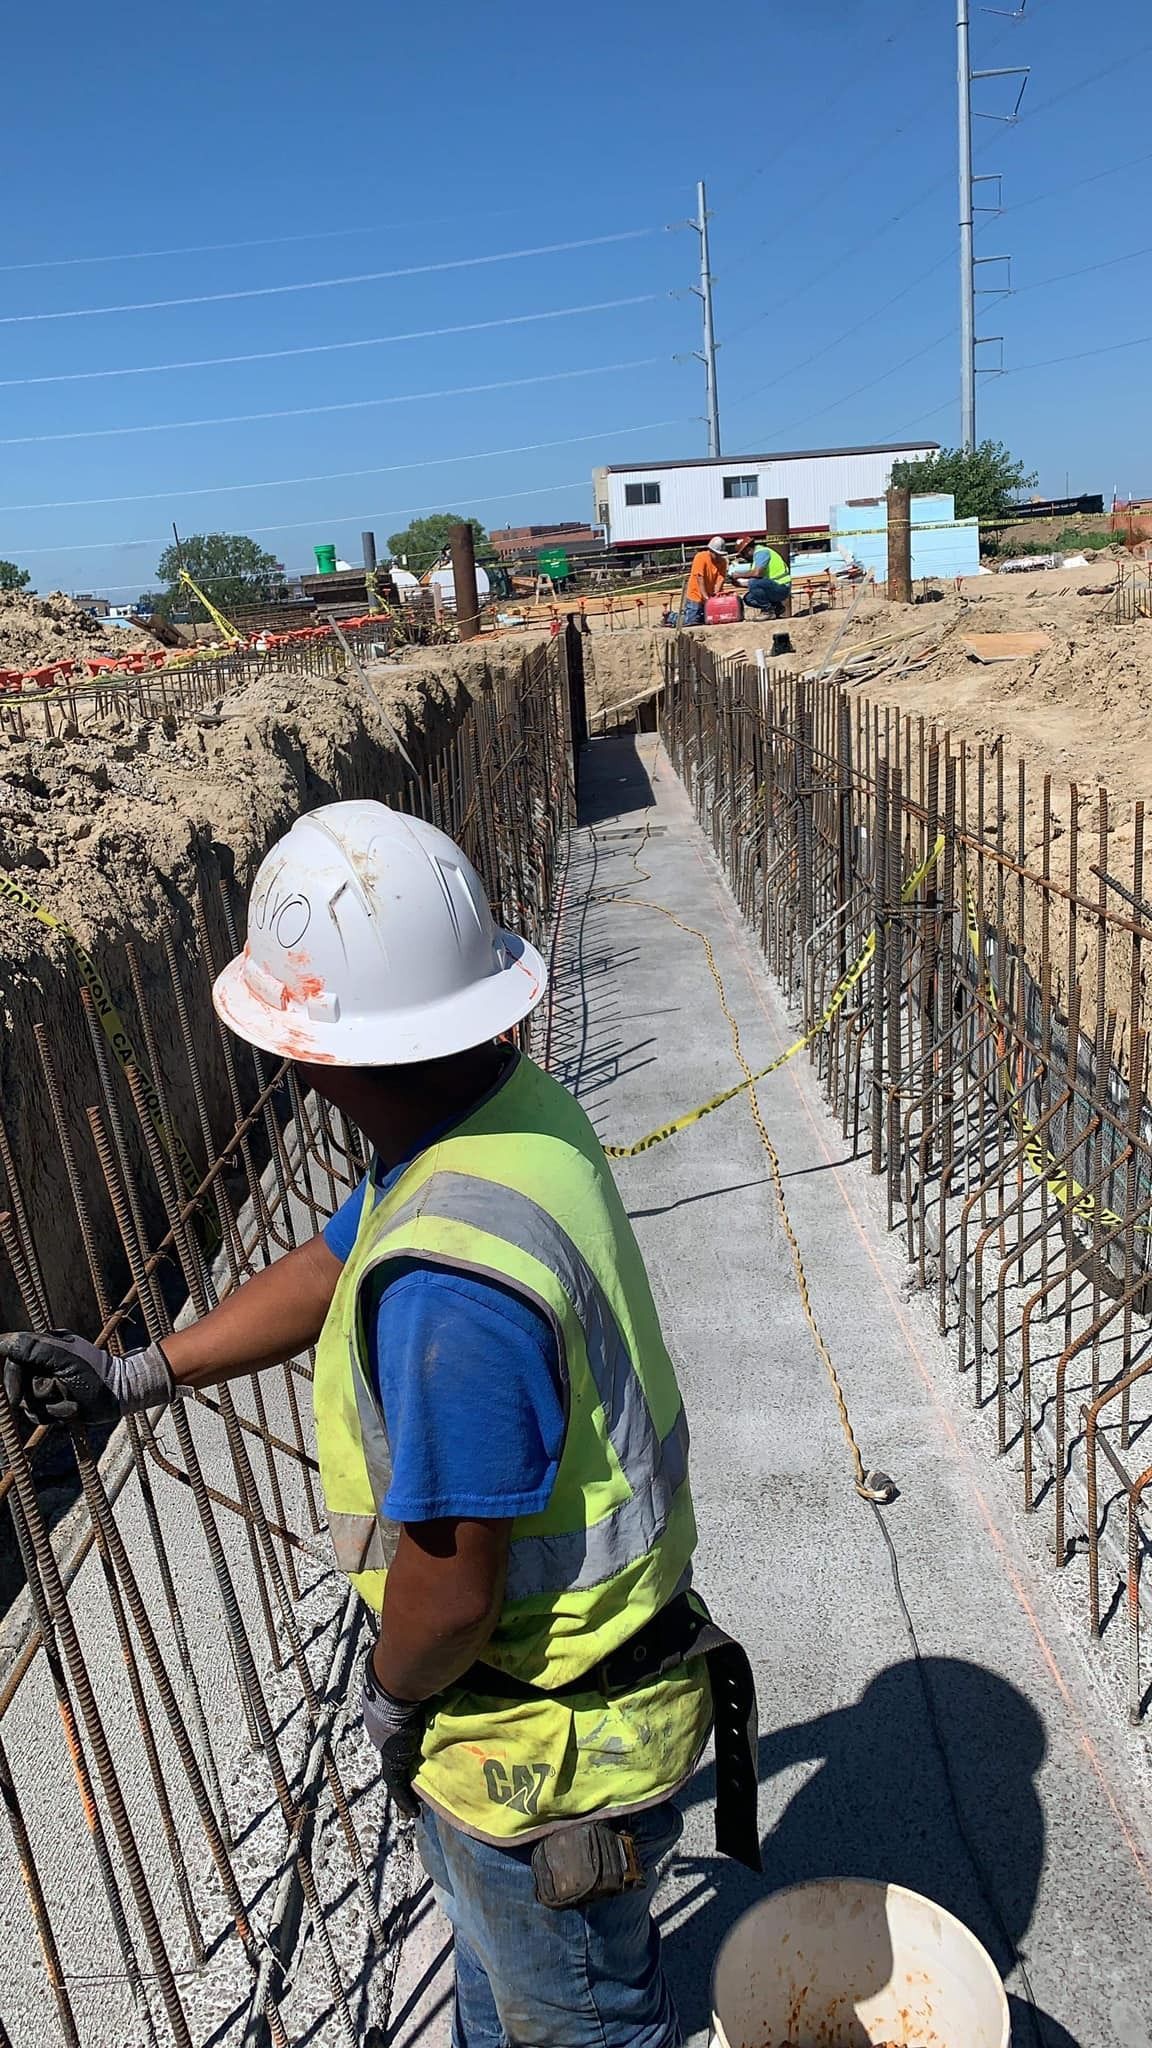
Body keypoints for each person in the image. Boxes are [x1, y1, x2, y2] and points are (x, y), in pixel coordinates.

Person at [0, 801, 758, 2048]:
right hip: (568, 1705)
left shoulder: (449, 1289)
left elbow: (451, 1590)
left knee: (577, 2020)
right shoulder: (505, 1113)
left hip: (540, 1750)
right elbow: (322, 1260)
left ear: (313, 1057)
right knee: (498, 1990)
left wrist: (393, 1694)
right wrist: (139, 1370)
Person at [733, 536, 791, 619]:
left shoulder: (761, 553)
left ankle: (767, 611)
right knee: (749, 598)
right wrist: (738, 584)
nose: (744, 557)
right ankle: (777, 608)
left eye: (743, 554)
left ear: (748, 550)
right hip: (774, 586)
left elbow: (757, 574)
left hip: (781, 587)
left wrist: (738, 575)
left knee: (753, 581)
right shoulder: (756, 559)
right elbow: (757, 585)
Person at [681, 537, 731, 626]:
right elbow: (700, 578)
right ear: (710, 550)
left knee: (707, 619)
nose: (718, 557)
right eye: (716, 554)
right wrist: (705, 597)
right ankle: (670, 616)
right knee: (691, 620)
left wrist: (715, 596)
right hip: (695, 596)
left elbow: (720, 579)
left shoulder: (722, 562)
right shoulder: (701, 557)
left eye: (720, 555)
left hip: (710, 596)